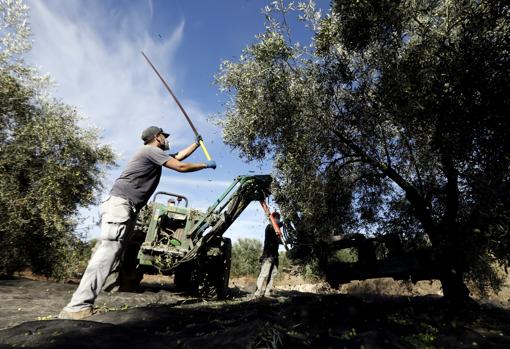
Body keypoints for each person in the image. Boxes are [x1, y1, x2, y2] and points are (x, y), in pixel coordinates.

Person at [59, 126, 216, 320]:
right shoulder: (150, 151)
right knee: (106, 253)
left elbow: (179, 157)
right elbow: (180, 167)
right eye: (164, 136)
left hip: (126, 207)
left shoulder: (154, 154)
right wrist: (206, 165)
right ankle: (77, 307)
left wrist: (195, 144)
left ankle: (81, 304)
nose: (167, 139)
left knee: (113, 254)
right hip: (121, 205)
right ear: (157, 138)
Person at [254, 212, 283, 298]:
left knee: (273, 274)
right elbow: (275, 226)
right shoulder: (269, 227)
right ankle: (257, 293)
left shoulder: (277, 231)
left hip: (274, 256)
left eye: (279, 217)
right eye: (276, 218)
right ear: (272, 219)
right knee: (264, 274)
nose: (278, 219)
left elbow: (278, 241)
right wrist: (283, 223)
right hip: (268, 255)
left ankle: (267, 292)